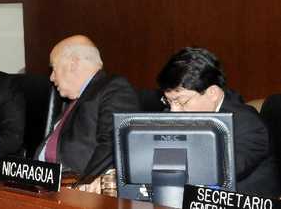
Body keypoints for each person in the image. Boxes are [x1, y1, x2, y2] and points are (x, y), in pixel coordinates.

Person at [157, 47, 280, 197]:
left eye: (181, 101)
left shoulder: (249, 125)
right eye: (168, 101)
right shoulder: (175, 114)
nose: (173, 111)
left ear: (212, 93)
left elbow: (219, 171)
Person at [35, 35, 140, 178]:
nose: (51, 77)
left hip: (76, 189)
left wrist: (86, 183)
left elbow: (114, 144)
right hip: (44, 182)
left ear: (73, 64)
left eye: (54, 69)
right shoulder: (74, 100)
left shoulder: (113, 89)